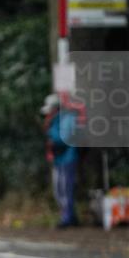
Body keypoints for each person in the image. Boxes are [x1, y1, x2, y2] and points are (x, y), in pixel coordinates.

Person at [42, 94, 79, 228]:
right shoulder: (53, 121)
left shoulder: (66, 119)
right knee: (58, 189)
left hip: (68, 157)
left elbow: (65, 138)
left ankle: (68, 218)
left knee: (65, 189)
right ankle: (69, 215)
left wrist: (52, 137)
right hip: (59, 159)